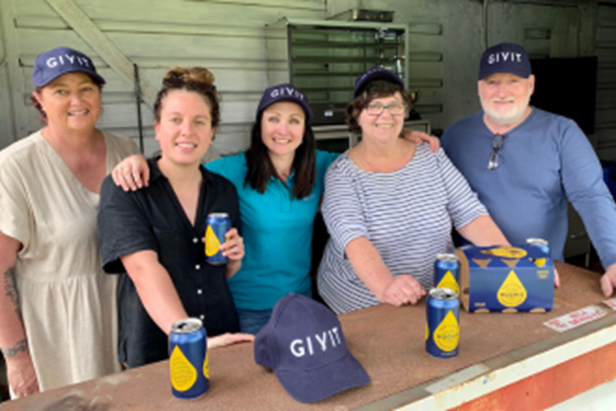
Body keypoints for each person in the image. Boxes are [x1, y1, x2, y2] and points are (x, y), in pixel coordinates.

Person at [112, 82, 439, 334]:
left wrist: (398, 135)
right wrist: (140, 160)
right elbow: (181, 164)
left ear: (304, 129)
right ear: (260, 125)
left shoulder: (326, 167)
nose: (283, 129)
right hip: (246, 307)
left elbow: (369, 157)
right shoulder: (230, 170)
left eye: (294, 120)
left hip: (301, 302)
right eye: (273, 119)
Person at [441, 42, 616, 304]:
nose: (502, 91)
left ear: (531, 85)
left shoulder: (562, 133)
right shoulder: (456, 135)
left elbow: (593, 198)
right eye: (492, 81)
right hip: (472, 278)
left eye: (514, 81)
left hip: (543, 275)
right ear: (479, 87)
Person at [0, 47, 141, 397]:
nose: (76, 99)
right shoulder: (14, 167)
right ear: (39, 100)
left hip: (126, 321)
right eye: (61, 90)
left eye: (86, 88)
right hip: (58, 338)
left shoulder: (125, 150)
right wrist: (17, 358)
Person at [317, 67, 510, 315]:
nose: (385, 115)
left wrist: (511, 260)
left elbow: (468, 212)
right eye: (374, 106)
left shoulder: (431, 155)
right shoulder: (342, 174)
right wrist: (386, 286)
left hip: (434, 290)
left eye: (395, 105)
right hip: (364, 299)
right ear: (356, 115)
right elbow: (354, 239)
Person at [98, 67, 254, 368]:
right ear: (157, 128)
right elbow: (143, 270)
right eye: (175, 120)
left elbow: (221, 272)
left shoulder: (224, 191)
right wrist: (194, 340)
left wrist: (234, 259)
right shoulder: (126, 189)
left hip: (221, 334)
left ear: (211, 132)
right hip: (156, 345)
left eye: (199, 122)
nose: (187, 131)